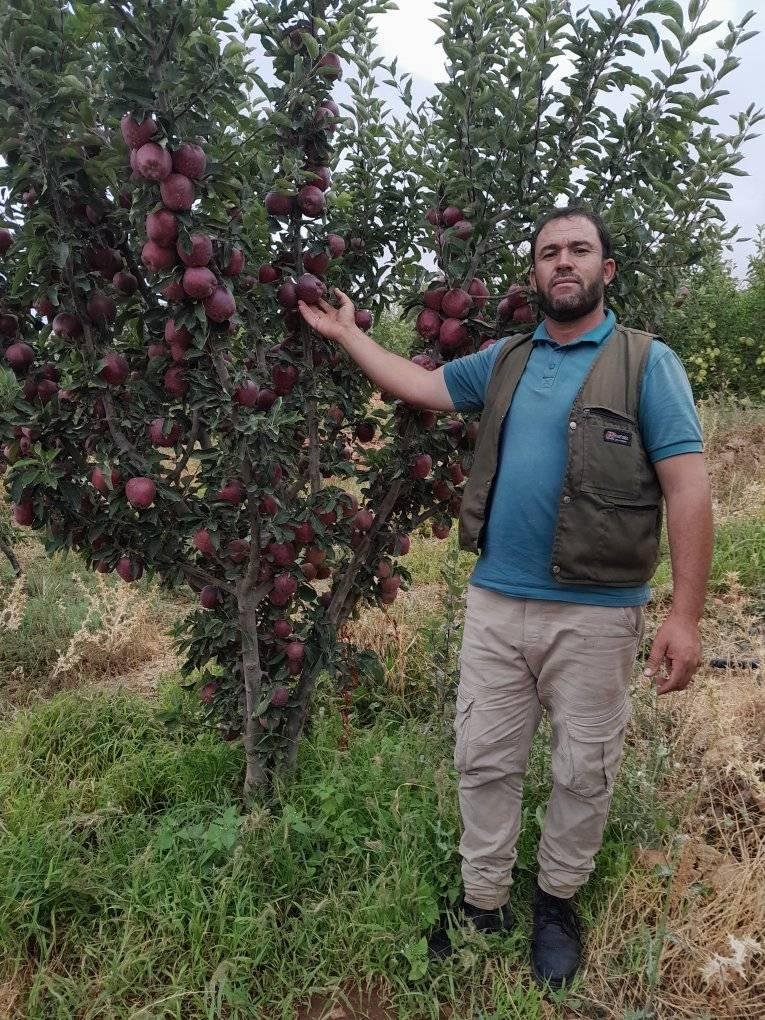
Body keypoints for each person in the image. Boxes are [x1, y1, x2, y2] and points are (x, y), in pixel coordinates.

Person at [297, 205, 713, 988]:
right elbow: (420, 384)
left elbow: (687, 488)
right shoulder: (506, 360)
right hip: (495, 602)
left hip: (596, 610)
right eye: (549, 252)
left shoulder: (645, 362)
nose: (564, 262)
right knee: (483, 759)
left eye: (579, 250)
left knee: (582, 769)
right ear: (533, 273)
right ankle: (482, 901)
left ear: (605, 270)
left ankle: (556, 901)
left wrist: (683, 616)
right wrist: (348, 334)